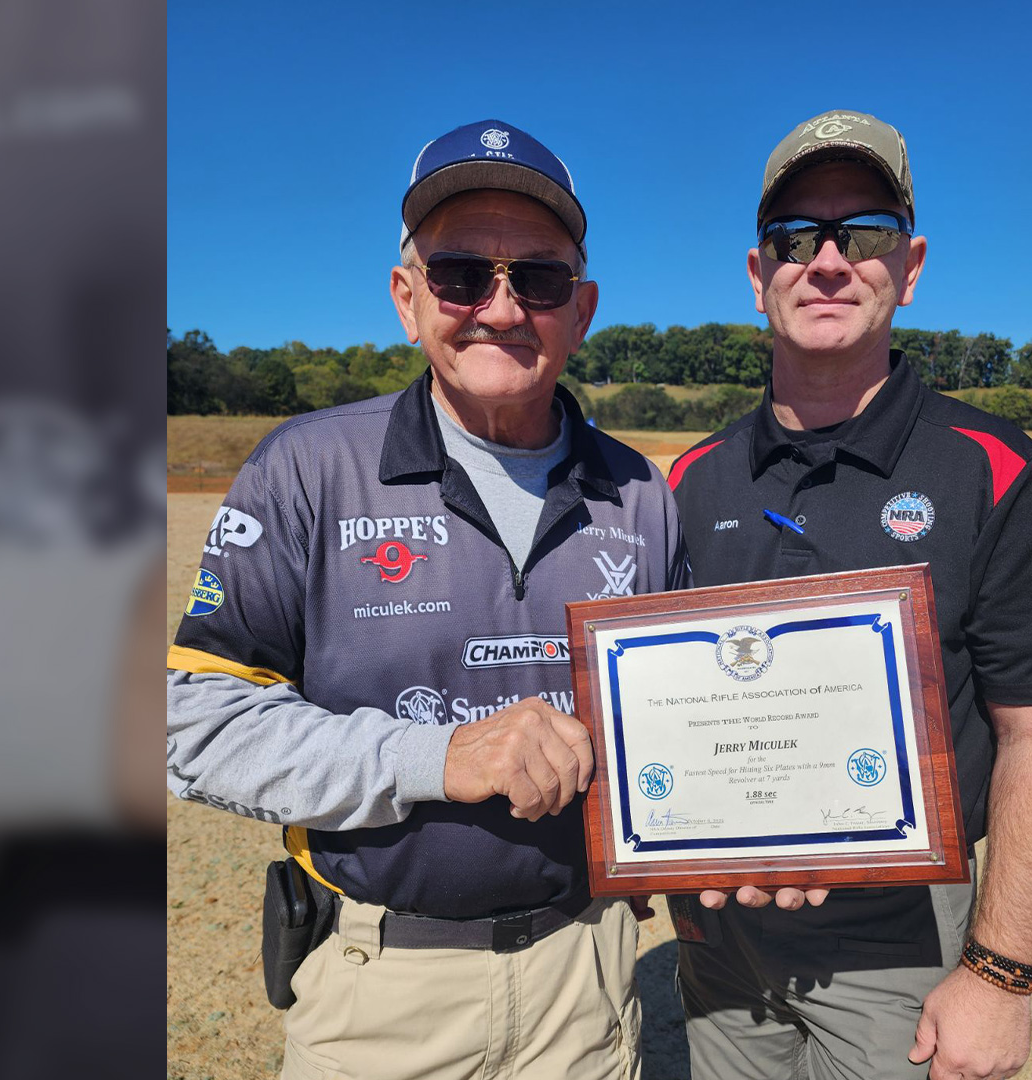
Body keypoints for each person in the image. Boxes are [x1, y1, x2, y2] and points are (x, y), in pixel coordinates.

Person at [166, 119, 687, 1080]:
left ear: (582, 309)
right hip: (380, 992)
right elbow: (193, 723)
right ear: (408, 300)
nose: (500, 308)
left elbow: (679, 723)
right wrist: (435, 756)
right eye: (460, 275)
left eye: (538, 279)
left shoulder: (644, 493)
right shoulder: (307, 470)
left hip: (587, 981)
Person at [666, 110, 1032, 1080]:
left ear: (909, 267)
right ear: (757, 276)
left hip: (898, 940)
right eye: (795, 238)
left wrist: (999, 975)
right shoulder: (687, 482)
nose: (826, 261)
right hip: (715, 934)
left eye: (860, 233)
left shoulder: (995, 470)